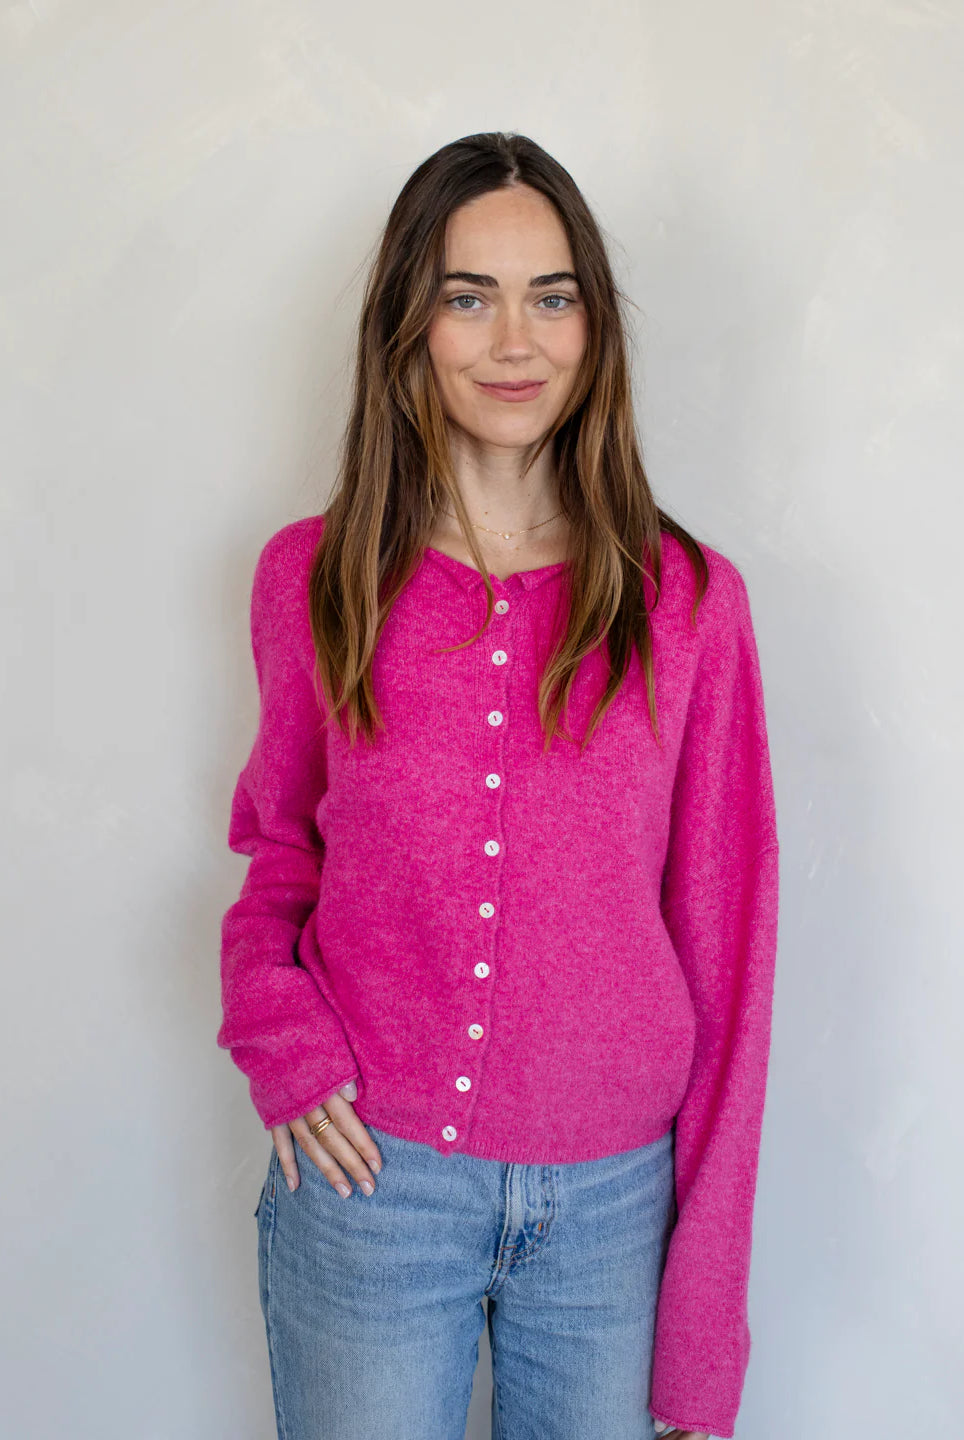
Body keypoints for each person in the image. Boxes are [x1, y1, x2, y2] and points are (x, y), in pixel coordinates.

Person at [218, 131, 780, 1440]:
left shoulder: (688, 605)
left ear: (594, 324)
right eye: (469, 295)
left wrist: (703, 1326)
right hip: (373, 1190)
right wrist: (285, 1046)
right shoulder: (313, 580)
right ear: (410, 322)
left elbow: (733, 955)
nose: (513, 339)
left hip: (608, 1221)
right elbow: (278, 861)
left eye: (554, 294)